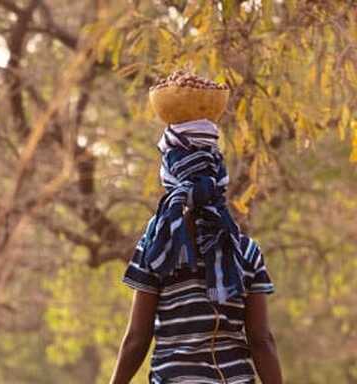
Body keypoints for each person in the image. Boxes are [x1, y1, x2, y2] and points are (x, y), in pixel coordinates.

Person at [110, 119, 283, 384]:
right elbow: (261, 340)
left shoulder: (157, 248)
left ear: (170, 176)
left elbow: (137, 339)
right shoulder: (245, 251)